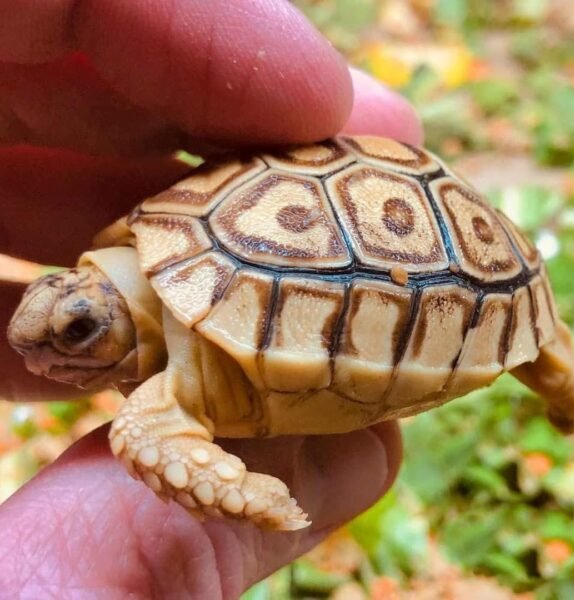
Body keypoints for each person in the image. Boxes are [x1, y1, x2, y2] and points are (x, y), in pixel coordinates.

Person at [0, 1, 422, 597]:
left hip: (401, 242)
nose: (42, 352)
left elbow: (154, 429)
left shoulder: (160, 406)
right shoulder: (167, 365)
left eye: (79, 331)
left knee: (141, 434)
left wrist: (253, 495)